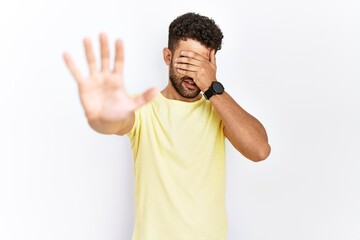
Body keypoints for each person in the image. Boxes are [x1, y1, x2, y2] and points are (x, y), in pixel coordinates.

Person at [63, 12, 270, 240]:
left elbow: (260, 150)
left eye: (201, 64)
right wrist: (101, 116)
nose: (193, 74)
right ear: (167, 56)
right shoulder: (144, 108)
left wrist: (213, 87)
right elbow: (115, 122)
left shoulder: (219, 110)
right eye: (186, 61)